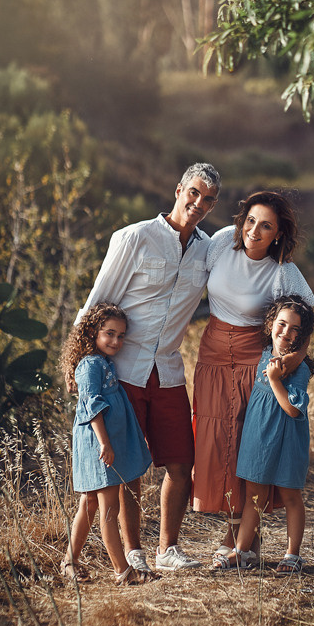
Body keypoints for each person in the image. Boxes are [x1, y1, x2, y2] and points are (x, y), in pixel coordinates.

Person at [75, 163, 221, 572]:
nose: (198, 203)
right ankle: (134, 551)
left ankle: (167, 550)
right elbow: (94, 306)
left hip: (169, 369)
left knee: (180, 461)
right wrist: (77, 369)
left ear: (212, 206)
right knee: (128, 464)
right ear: (178, 190)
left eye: (208, 199)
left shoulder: (207, 251)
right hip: (122, 370)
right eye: (193, 192)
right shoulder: (135, 238)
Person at [192, 191, 314, 564]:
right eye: (250, 221)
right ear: (240, 221)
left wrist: (289, 365)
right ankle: (239, 530)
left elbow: (306, 322)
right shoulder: (218, 245)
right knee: (215, 438)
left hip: (253, 357)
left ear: (278, 234)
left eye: (266, 226)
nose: (254, 231)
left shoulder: (284, 272)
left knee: (247, 440)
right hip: (213, 352)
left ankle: (241, 538)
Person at [213, 295, 314, 575]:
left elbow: (293, 410)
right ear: (270, 324)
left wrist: (274, 380)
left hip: (287, 439)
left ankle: (293, 555)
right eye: (281, 324)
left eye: (295, 328)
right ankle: (242, 551)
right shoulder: (263, 356)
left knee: (291, 495)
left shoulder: (299, 369)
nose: (286, 332)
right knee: (253, 496)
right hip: (259, 434)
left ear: (302, 336)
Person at [59, 302, 155, 585]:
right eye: (109, 333)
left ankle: (69, 562)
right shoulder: (90, 365)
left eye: (121, 335)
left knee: (89, 504)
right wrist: (105, 444)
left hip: (102, 442)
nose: (116, 341)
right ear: (92, 332)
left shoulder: (102, 362)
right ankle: (123, 571)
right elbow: (91, 407)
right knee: (108, 508)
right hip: (97, 443)